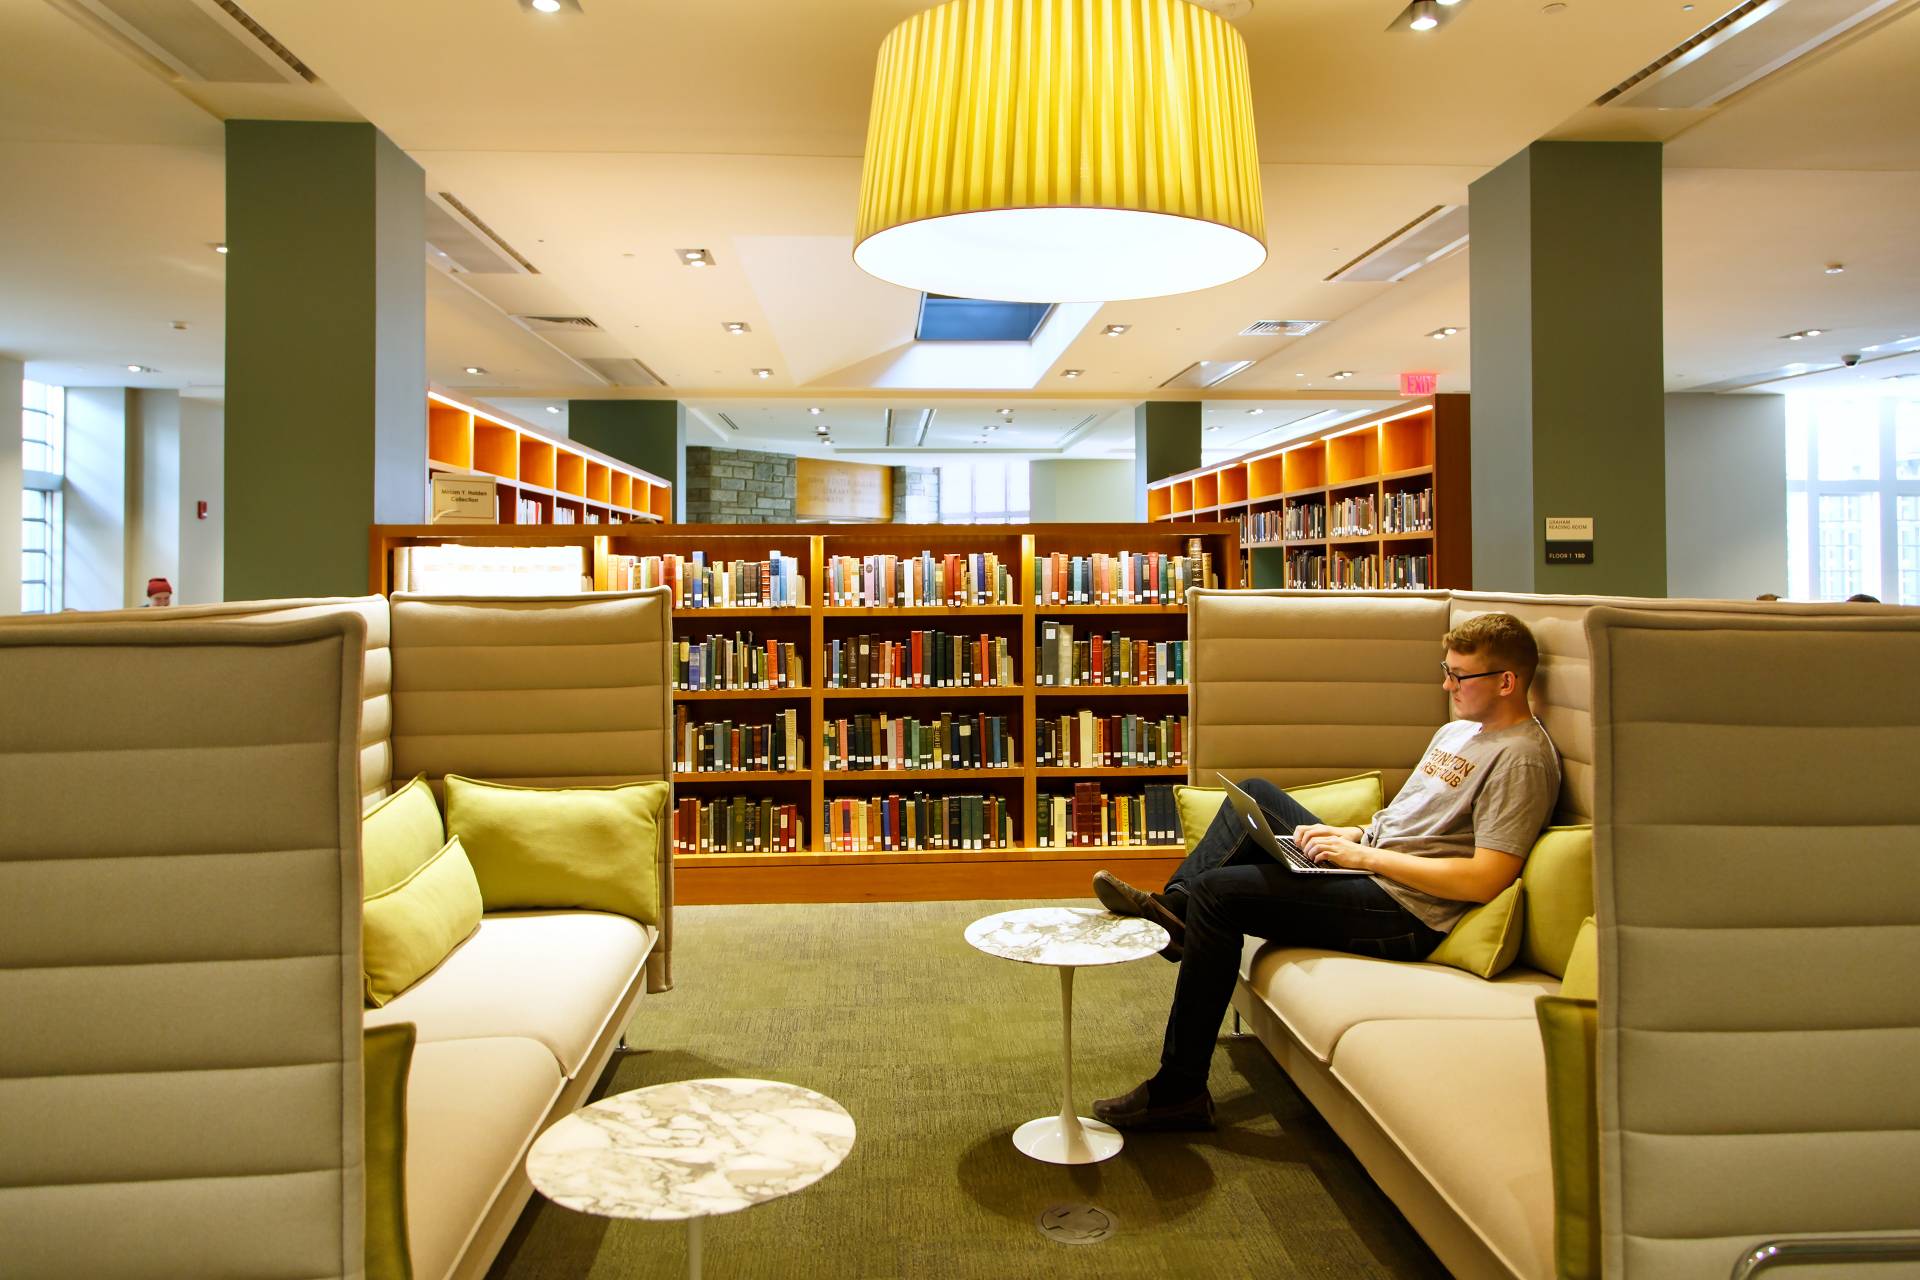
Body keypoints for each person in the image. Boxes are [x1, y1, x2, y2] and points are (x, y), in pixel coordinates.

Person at [1089, 612, 1561, 1131]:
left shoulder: (1522, 759)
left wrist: (1365, 858)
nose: (1446, 684)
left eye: (1459, 676)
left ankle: (1178, 1090)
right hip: (1373, 867)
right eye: (1445, 669)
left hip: (1405, 910)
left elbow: (1485, 878)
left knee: (1218, 896)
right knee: (1255, 796)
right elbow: (1409, 821)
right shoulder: (1458, 731)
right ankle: (1173, 912)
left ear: (1507, 682)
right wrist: (1354, 835)